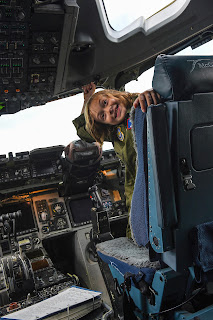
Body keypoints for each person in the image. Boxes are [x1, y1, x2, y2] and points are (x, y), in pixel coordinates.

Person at [70, 83, 161, 238]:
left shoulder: (142, 104)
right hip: (136, 193)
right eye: (102, 115)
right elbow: (84, 131)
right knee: (132, 236)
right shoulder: (114, 130)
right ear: (105, 125)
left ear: (112, 94)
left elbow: (160, 100)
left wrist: (151, 94)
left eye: (105, 103)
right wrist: (87, 99)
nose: (109, 110)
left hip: (154, 188)